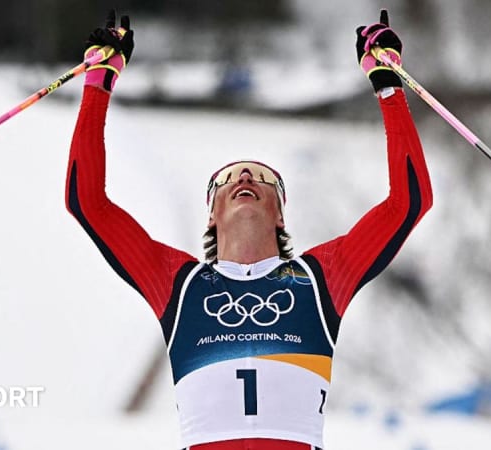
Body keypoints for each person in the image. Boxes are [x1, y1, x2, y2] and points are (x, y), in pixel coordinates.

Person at [65, 9, 433, 450]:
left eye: (260, 177)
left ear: (280, 214)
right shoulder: (177, 285)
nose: (244, 179)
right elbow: (86, 202)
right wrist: (98, 82)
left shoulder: (320, 279)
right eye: (229, 178)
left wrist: (388, 84)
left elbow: (409, 202)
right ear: (211, 214)